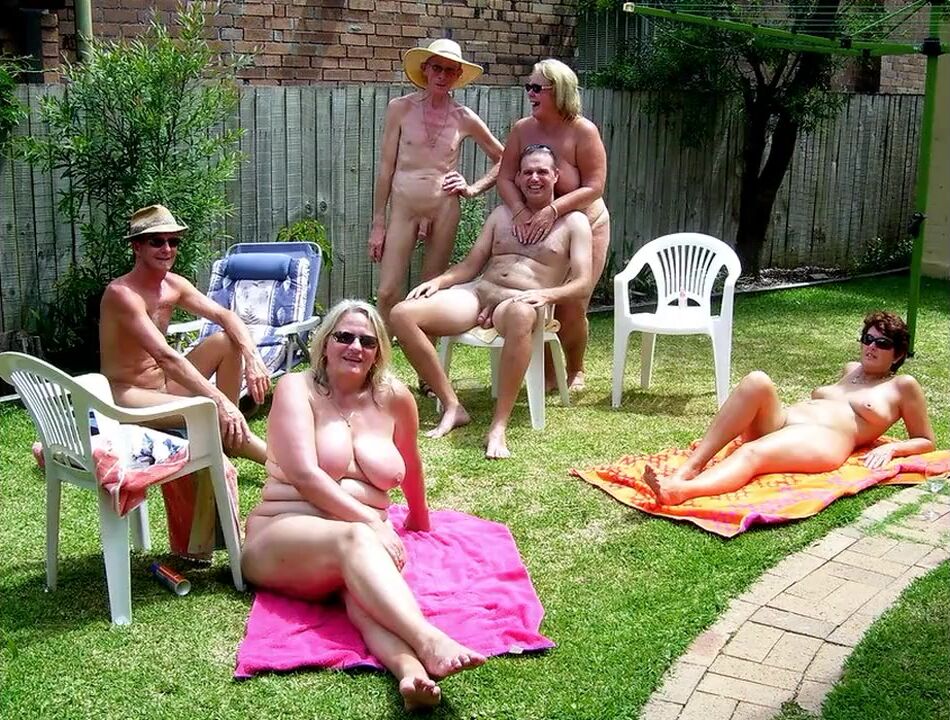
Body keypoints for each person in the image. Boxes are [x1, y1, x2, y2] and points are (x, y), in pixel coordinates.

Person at [241, 300, 484, 711]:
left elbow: (411, 463)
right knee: (354, 541)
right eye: (344, 337)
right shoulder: (296, 389)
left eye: (368, 342)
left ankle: (410, 674)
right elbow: (304, 475)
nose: (355, 347)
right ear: (325, 343)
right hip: (282, 531)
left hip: (356, 543)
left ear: (378, 352)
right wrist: (373, 523)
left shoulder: (394, 398)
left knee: (363, 595)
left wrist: (420, 520)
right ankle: (429, 639)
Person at [390, 144, 593, 459]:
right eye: (527, 172)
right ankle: (452, 405)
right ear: (518, 178)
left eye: (542, 171)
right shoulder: (501, 215)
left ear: (556, 175)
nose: (534, 178)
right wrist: (438, 282)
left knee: (521, 314)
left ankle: (498, 426)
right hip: (479, 293)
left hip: (521, 301)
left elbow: (582, 283)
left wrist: (546, 294)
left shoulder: (574, 223)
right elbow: (471, 265)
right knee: (402, 314)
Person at [643, 311, 935, 505]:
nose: (871, 347)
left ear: (898, 354)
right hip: (784, 422)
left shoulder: (902, 386)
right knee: (757, 380)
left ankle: (680, 491)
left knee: (751, 452)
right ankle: (690, 468)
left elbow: (926, 440)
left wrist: (893, 448)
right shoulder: (851, 370)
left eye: (882, 343)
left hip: (823, 439)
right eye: (867, 339)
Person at [99, 204, 268, 464]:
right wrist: (219, 400)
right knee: (209, 410)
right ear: (137, 247)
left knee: (227, 341)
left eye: (173, 241)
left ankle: (228, 432)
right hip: (127, 393)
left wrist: (253, 358)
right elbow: (165, 357)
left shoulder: (173, 284)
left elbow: (226, 316)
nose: (167, 249)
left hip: (164, 385)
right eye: (157, 241)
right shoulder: (121, 294)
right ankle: (280, 465)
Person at [368, 38, 504, 331]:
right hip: (403, 208)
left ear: (458, 75)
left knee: (430, 291)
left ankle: (425, 360)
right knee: (387, 290)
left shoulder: (464, 118)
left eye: (450, 70)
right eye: (437, 68)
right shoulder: (400, 109)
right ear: (425, 69)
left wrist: (473, 188)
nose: (442, 76)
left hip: (444, 209)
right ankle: (379, 355)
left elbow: (503, 158)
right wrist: (378, 224)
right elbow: (386, 168)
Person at [496, 58, 610, 392]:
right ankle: (547, 373)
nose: (529, 93)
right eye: (528, 87)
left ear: (558, 92)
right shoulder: (522, 130)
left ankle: (575, 369)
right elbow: (505, 178)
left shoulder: (583, 131)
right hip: (536, 228)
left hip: (585, 225)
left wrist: (554, 209)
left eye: (536, 88)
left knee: (572, 303)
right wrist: (520, 211)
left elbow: (595, 187)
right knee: (537, 299)